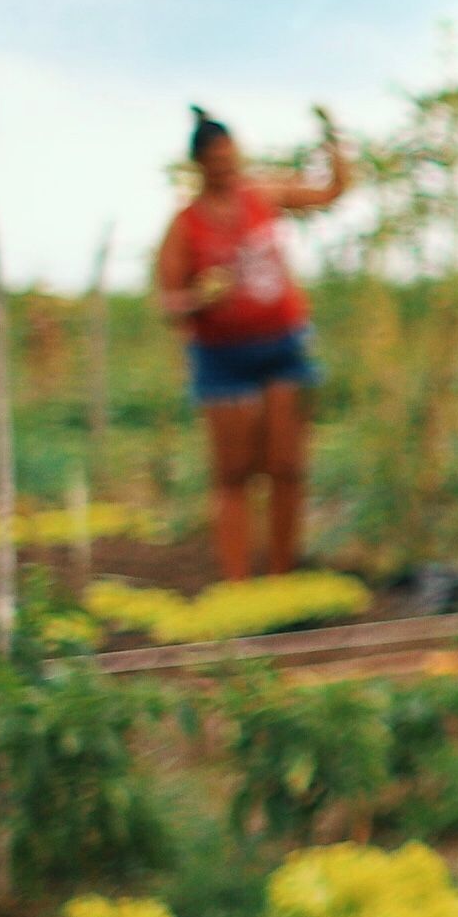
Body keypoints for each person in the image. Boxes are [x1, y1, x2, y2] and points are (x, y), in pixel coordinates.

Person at [154, 105, 354, 581]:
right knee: (233, 473)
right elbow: (168, 302)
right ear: (200, 165)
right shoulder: (186, 224)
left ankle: (282, 573)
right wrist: (200, 298)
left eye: (231, 156)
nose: (226, 166)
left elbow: (332, 191)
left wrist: (333, 141)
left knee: (286, 466)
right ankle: (238, 582)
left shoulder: (261, 195)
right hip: (222, 357)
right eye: (216, 160)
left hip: (282, 346)